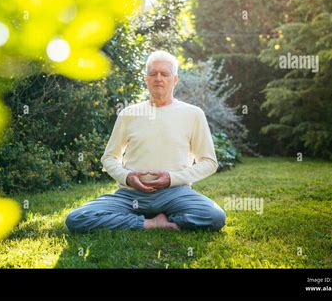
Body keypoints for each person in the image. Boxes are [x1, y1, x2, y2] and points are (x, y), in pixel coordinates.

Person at [65, 50, 226, 232]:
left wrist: (171, 179)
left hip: (175, 194)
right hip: (131, 195)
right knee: (76, 219)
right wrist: (127, 177)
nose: (158, 78)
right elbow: (109, 158)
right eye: (153, 74)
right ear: (146, 79)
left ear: (175, 80)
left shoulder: (193, 114)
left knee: (214, 216)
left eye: (164, 74)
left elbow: (209, 162)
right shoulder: (129, 113)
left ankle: (145, 218)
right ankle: (151, 223)